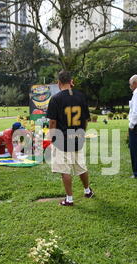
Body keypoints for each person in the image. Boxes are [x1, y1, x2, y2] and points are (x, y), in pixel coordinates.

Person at [46, 70, 93, 206]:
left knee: (64, 169)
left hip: (62, 137)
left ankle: (69, 198)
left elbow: (53, 122)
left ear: (59, 82)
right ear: (71, 81)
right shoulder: (81, 96)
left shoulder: (56, 99)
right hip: (77, 135)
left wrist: (52, 136)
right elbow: (85, 120)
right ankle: (87, 190)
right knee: (81, 166)